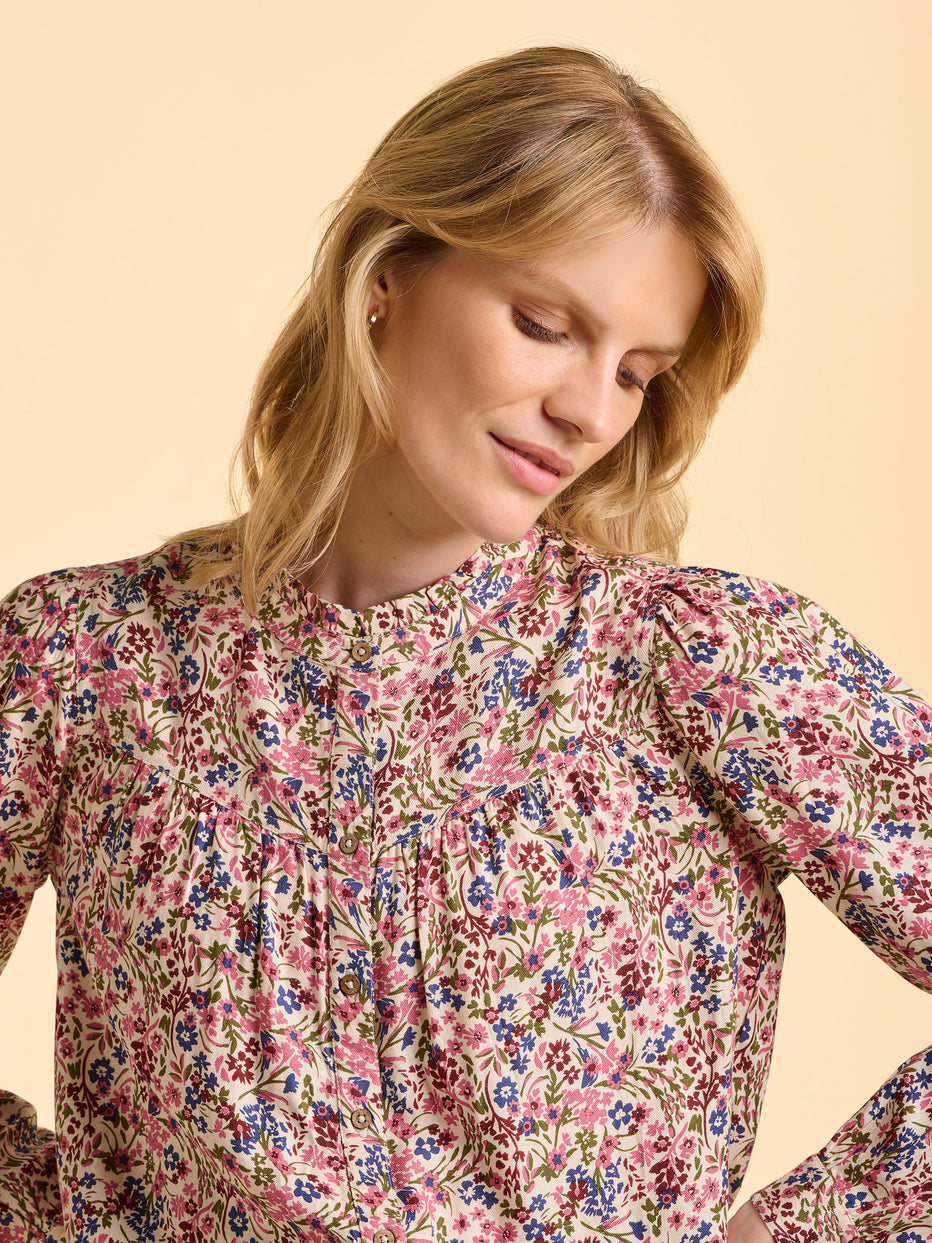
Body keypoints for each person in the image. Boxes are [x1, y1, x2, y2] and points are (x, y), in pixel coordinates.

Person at [0, 43, 929, 1243]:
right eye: (542, 325)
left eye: (636, 373)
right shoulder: (79, 661)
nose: (588, 411)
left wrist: (798, 1234)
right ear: (386, 276)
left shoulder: (698, 661)